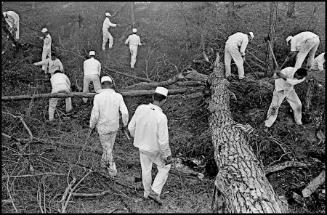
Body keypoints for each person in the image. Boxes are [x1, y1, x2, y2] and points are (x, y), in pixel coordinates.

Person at [128, 87, 173, 204]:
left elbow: (130, 127)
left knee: (146, 169)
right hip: (154, 149)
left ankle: (146, 194)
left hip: (141, 147)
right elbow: (163, 141)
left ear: (153, 97)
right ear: (164, 101)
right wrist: (167, 155)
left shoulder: (140, 108)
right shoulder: (161, 117)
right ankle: (155, 191)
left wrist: (137, 136)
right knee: (165, 167)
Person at [89, 76, 129, 177]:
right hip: (114, 126)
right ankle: (103, 163)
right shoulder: (118, 96)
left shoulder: (98, 97)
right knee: (108, 147)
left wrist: (91, 126)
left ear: (102, 85)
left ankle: (112, 171)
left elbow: (95, 114)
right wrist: (125, 124)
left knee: (108, 149)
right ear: (111, 84)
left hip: (103, 127)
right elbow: (125, 112)